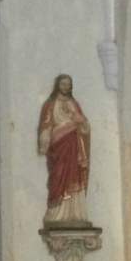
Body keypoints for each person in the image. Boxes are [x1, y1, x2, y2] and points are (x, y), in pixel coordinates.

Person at [37, 73, 90, 224]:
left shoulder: (75, 104)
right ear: (57, 86)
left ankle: (75, 213)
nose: (65, 87)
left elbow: (85, 127)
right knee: (58, 174)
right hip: (58, 145)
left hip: (73, 144)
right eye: (63, 84)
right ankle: (56, 213)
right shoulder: (50, 104)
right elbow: (45, 126)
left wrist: (80, 121)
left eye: (68, 85)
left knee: (74, 174)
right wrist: (45, 141)